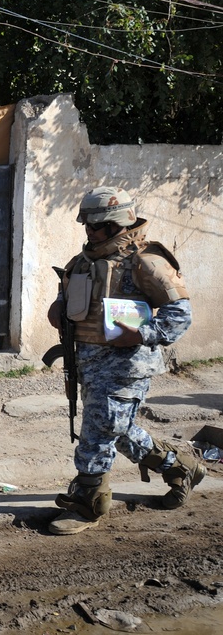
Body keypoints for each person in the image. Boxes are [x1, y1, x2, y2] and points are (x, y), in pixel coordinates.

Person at [46, 186, 203, 535]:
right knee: (115, 429)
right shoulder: (82, 261)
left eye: (97, 225)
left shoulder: (146, 261)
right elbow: (68, 300)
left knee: (97, 432)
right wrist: (58, 309)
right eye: (86, 223)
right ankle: (179, 466)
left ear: (118, 224)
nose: (89, 231)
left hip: (126, 365)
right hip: (88, 362)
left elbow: (180, 314)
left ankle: (88, 502)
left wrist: (143, 334)